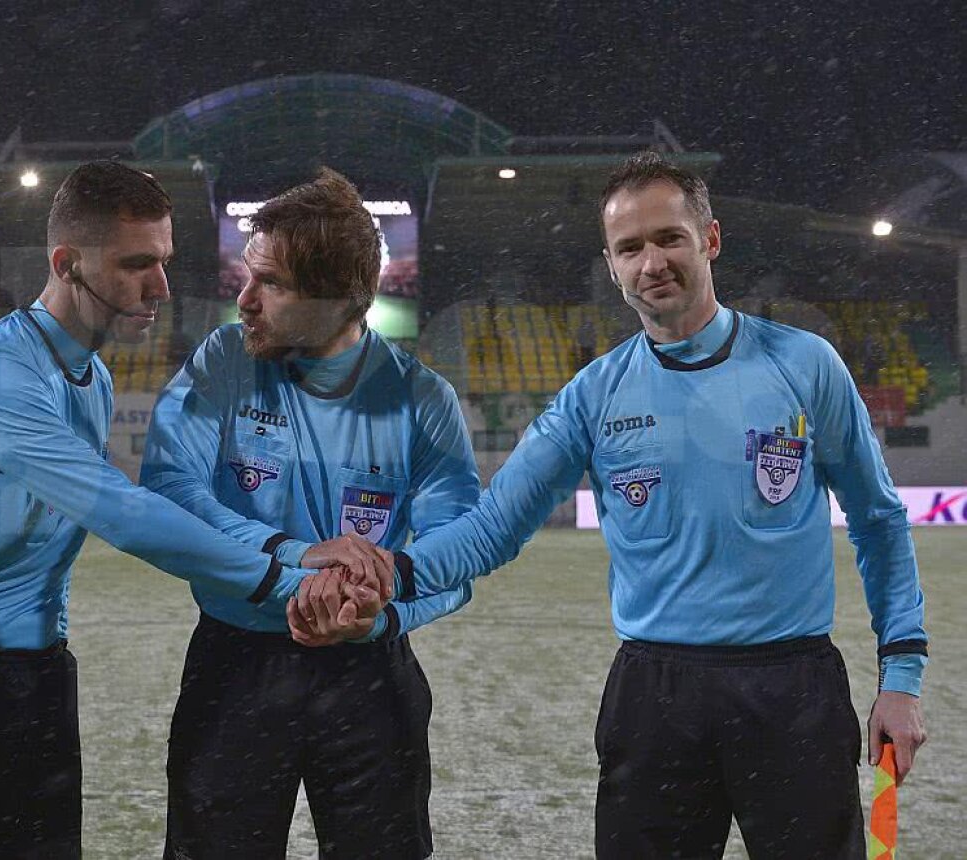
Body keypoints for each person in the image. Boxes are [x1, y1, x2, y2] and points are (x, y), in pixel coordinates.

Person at [303, 152, 929, 858]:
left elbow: (878, 521)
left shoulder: (805, 364)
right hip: (654, 697)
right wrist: (389, 570)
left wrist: (900, 680)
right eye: (630, 248)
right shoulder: (592, 396)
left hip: (792, 689)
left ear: (710, 240)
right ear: (611, 264)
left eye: (669, 238)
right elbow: (493, 529)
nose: (652, 262)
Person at [0, 161, 377, 859]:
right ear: (66, 263)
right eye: (136, 265)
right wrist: (290, 571)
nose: (160, 288)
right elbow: (122, 512)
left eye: (164, 262)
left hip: (36, 682)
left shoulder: (93, 376)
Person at [140, 168, 479, 860]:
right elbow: (173, 491)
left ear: (343, 299)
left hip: (371, 669)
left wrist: (379, 613)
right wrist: (297, 559)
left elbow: (459, 551)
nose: (245, 299)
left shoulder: (423, 399)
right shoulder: (225, 361)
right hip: (234, 664)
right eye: (247, 273)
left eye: (273, 284)